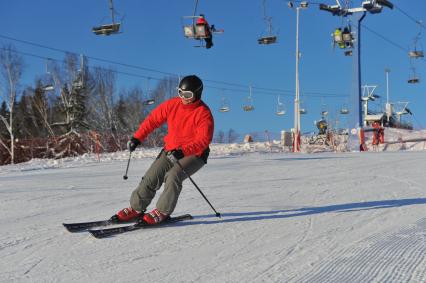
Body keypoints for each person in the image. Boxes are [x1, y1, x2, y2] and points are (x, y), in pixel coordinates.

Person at [115, 75, 214, 225]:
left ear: (197, 94)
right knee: (152, 177)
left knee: (173, 176)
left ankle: (163, 211)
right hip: (170, 150)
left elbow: (203, 141)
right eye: (180, 93)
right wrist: (137, 138)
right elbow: (153, 120)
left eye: (187, 95)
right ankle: (136, 208)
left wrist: (182, 152)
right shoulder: (173, 104)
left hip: (195, 154)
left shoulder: (203, 114)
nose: (183, 98)